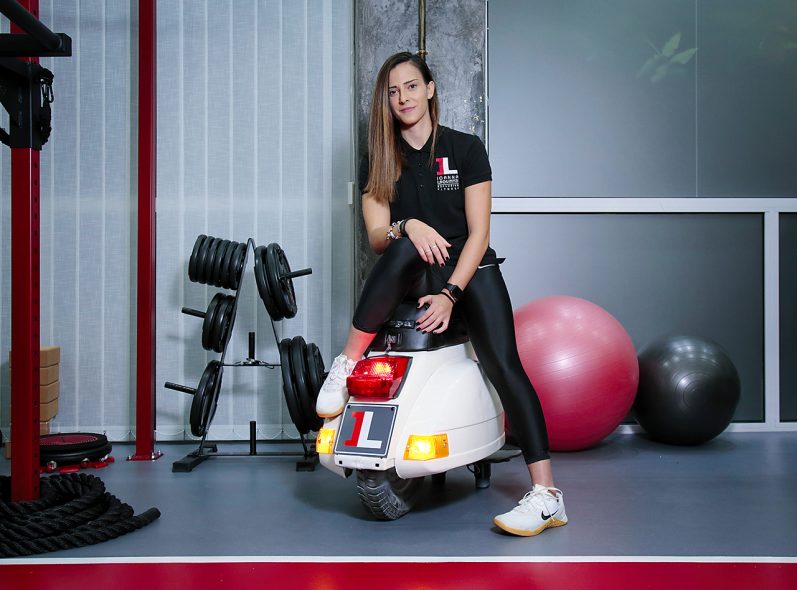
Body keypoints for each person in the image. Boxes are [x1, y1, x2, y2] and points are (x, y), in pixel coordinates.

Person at [315, 51, 567, 537]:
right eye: (393, 91)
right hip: (414, 274)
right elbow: (376, 237)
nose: (403, 98)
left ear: (430, 90)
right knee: (403, 244)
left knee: (505, 365)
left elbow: (479, 233)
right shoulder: (380, 160)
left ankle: (547, 495)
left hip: (469, 273)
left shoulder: (465, 148)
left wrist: (452, 294)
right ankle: (346, 364)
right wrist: (408, 224)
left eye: (411, 86)